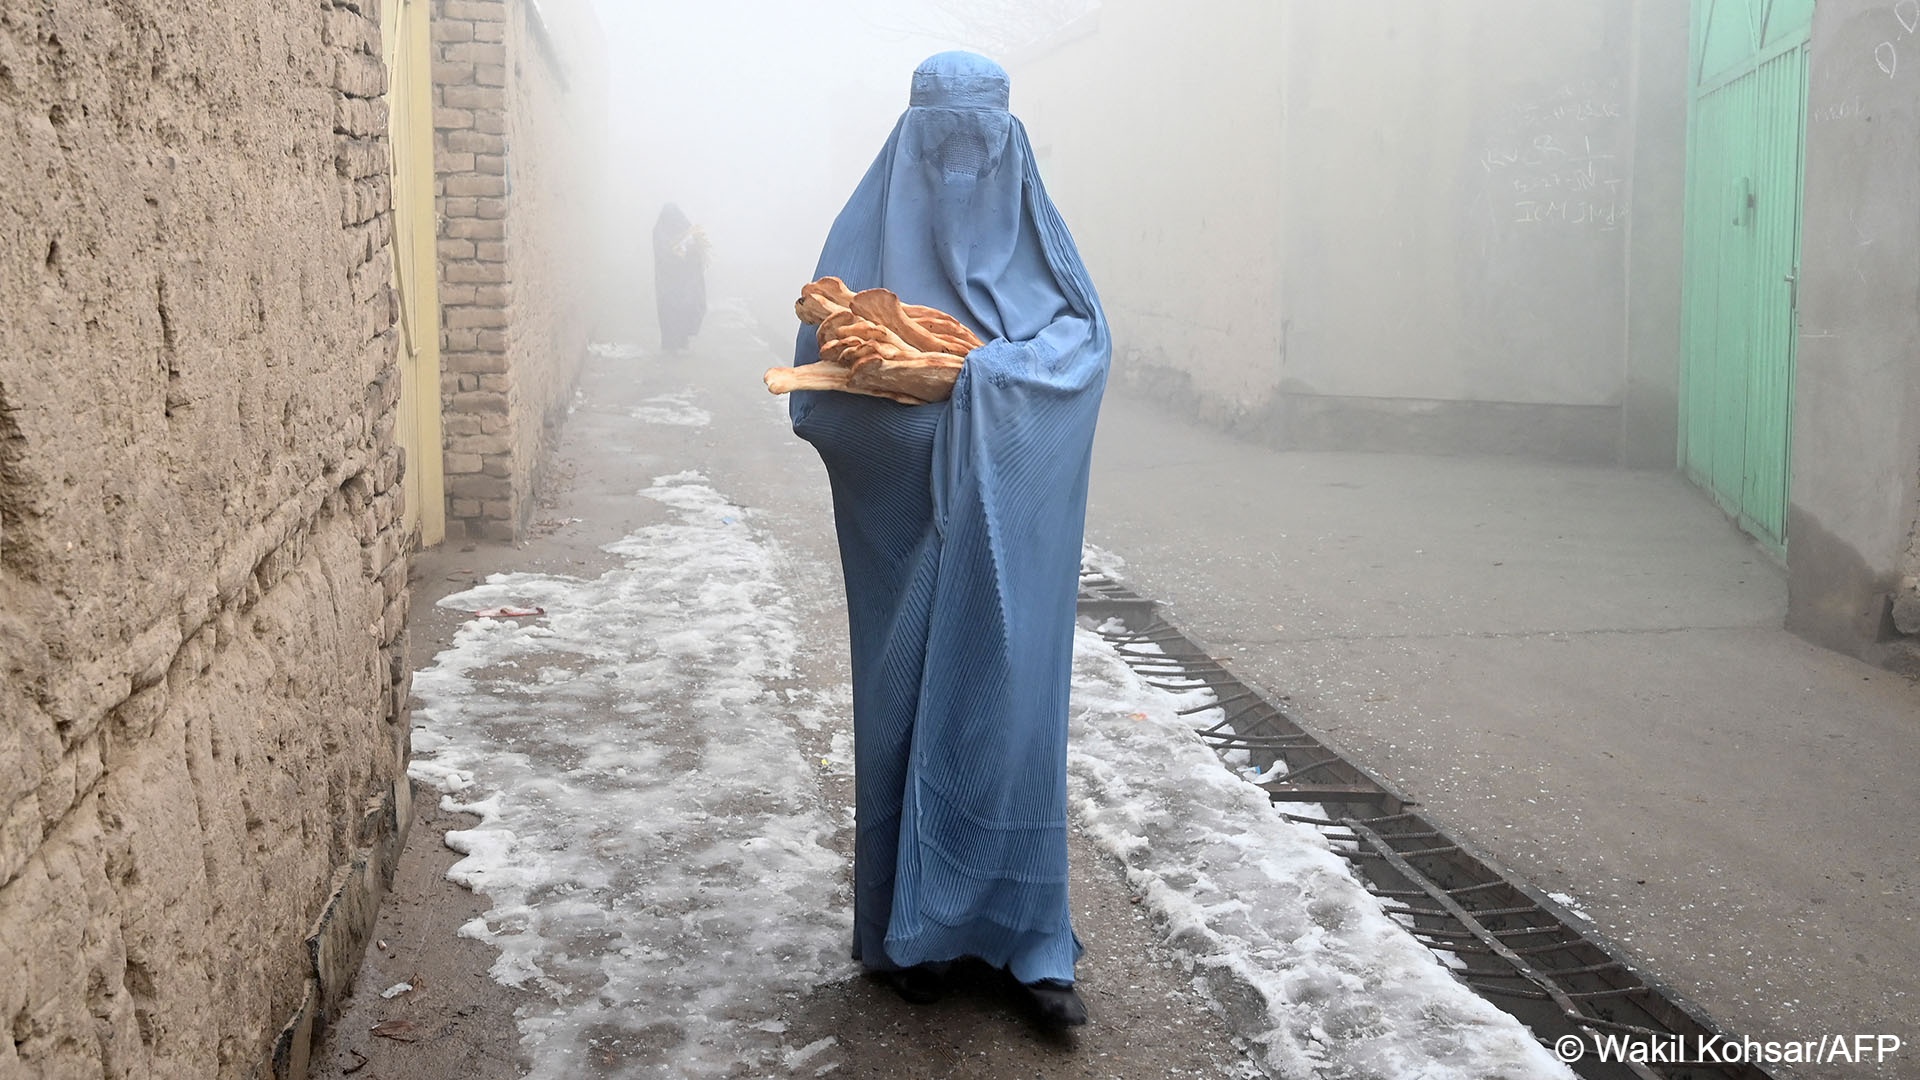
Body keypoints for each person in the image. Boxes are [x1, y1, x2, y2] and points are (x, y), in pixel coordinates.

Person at [787, 51, 1110, 1027]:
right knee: (904, 714)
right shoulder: (865, 240)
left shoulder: (1039, 243)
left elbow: (1085, 345)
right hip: (908, 535)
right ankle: (905, 935)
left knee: (1005, 723)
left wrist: (984, 386)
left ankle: (1026, 942)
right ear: (911, 142)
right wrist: (919, 415)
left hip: (1012, 534)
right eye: (943, 149)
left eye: (981, 147)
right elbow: (818, 391)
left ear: (1008, 146)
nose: (963, 171)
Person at [652, 203, 708, 352]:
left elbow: (694, 251)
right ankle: (671, 345)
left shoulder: (682, 229)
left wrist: (692, 252)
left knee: (684, 309)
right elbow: (665, 255)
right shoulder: (661, 233)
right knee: (670, 312)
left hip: (682, 284)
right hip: (668, 283)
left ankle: (681, 340)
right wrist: (682, 254)